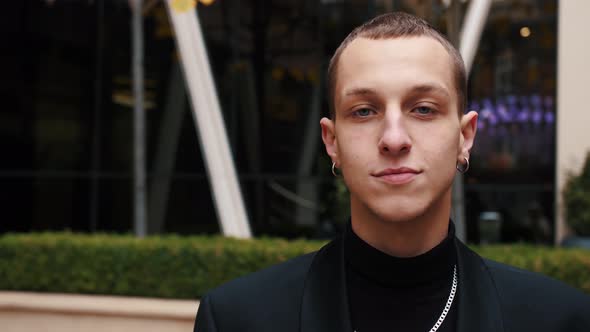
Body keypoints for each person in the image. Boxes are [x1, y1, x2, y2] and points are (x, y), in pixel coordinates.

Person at [194, 12, 590, 332]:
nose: (394, 139)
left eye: (423, 109)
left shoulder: (559, 319)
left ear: (465, 137)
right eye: (364, 111)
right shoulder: (236, 319)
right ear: (332, 142)